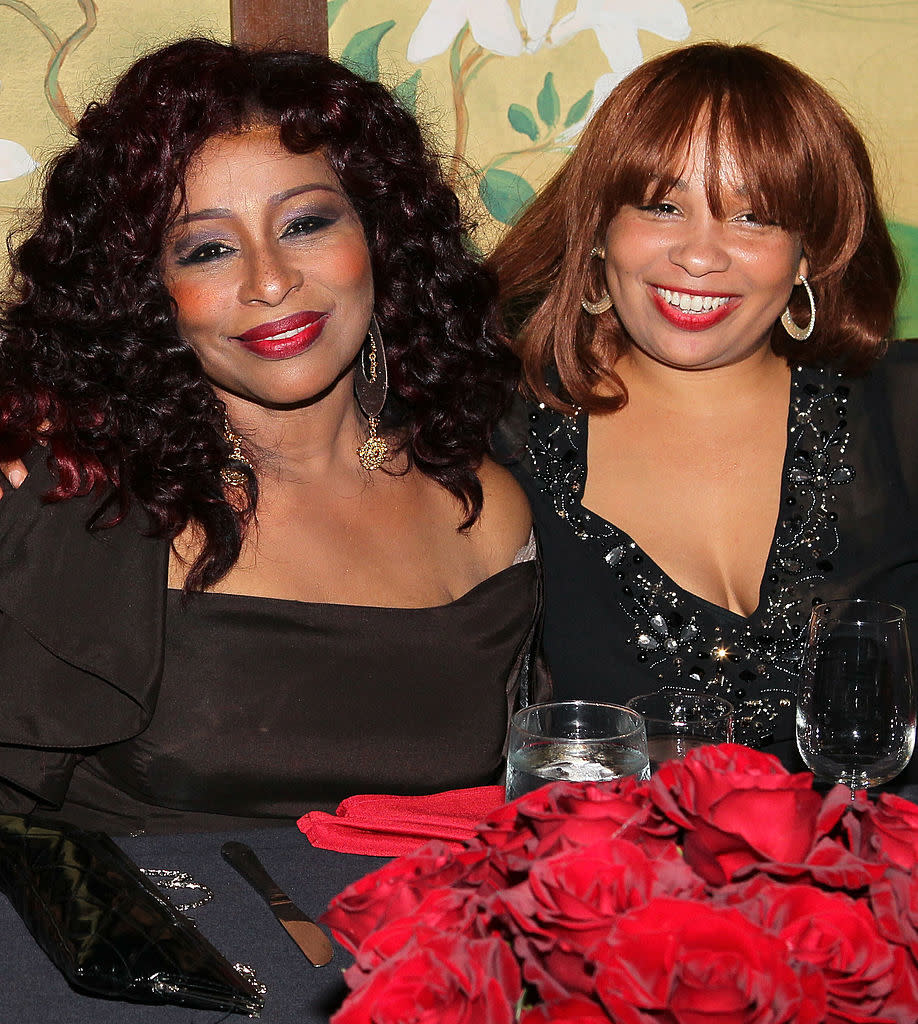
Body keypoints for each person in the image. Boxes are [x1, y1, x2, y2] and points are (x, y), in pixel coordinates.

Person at [0, 38, 537, 833]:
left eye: (307, 223)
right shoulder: (79, 499)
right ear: (150, 292)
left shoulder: (485, 509)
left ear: (379, 240)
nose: (270, 281)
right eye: (208, 248)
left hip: (417, 950)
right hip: (158, 950)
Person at [490, 42, 917, 752]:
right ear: (598, 230)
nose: (699, 255)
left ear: (809, 251)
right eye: (662, 206)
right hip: (618, 862)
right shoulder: (502, 432)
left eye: (754, 218)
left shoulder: (901, 413)